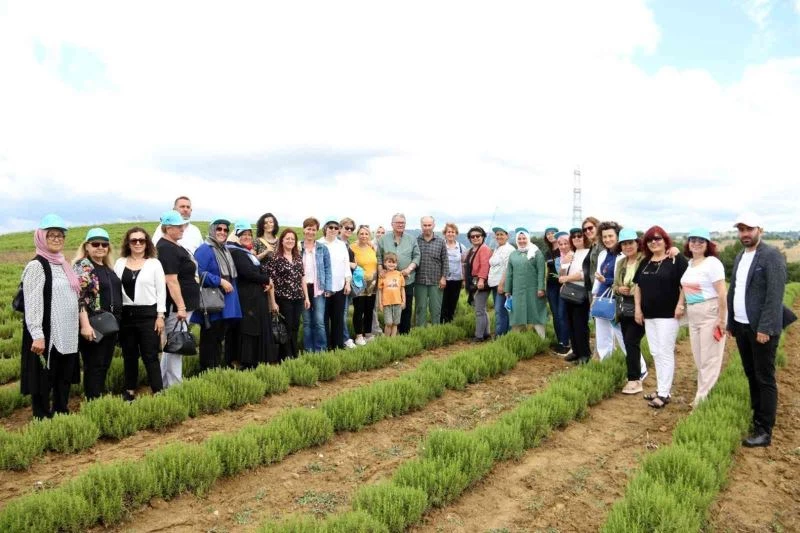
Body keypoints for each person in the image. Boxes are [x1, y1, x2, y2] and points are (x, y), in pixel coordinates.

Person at [726, 213, 796, 447]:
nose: (745, 234)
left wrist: (765, 327)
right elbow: (734, 290)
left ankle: (764, 430)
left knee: (765, 378)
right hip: (742, 326)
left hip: (761, 329)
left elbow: (775, 295)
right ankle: (757, 416)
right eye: (741, 230)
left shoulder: (771, 255)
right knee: (751, 374)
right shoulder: (739, 256)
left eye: (749, 229)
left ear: (760, 230)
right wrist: (731, 323)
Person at [20, 214, 81, 419]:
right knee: (44, 378)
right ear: (41, 238)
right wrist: (37, 334)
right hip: (47, 332)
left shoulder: (64, 264)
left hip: (67, 332)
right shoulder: (37, 266)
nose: (56, 239)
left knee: (63, 377)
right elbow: (33, 302)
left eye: (60, 235)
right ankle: (43, 418)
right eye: (51, 235)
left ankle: (61, 412)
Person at [633, 226, 688, 409]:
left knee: (665, 352)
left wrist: (680, 304)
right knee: (656, 352)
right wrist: (638, 309)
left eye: (657, 239)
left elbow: (684, 285)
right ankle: (661, 388)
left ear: (665, 240)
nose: (654, 242)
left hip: (668, 315)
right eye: (650, 240)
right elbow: (638, 287)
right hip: (649, 315)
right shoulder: (646, 262)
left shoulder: (675, 260)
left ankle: (664, 393)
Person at [114, 227, 165, 400]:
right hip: (126, 315)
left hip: (148, 315)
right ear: (128, 243)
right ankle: (129, 391)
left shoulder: (154, 263)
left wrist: (160, 316)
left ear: (147, 243)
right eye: (133, 240)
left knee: (150, 355)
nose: (137, 243)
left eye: (141, 240)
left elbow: (161, 291)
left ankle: (157, 391)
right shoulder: (120, 263)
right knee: (129, 355)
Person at [678, 228, 727, 408]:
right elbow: (684, 287)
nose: (696, 243)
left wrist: (722, 320)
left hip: (710, 311)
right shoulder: (691, 263)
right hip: (694, 313)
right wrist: (680, 304)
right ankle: (702, 394)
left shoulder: (712, 263)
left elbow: (722, 292)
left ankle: (702, 401)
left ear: (708, 245)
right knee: (699, 358)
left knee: (710, 359)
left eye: (701, 240)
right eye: (693, 240)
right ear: (688, 243)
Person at [73, 228, 122, 400]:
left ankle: (97, 398)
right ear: (87, 246)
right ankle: (93, 401)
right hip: (94, 324)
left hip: (109, 324)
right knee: (94, 365)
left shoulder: (107, 267)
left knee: (103, 364)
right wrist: (85, 325)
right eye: (95, 244)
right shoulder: (83, 266)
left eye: (104, 244)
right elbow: (80, 298)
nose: (100, 247)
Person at [157, 210, 200, 387]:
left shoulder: (173, 245)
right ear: (168, 228)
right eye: (179, 226)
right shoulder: (166, 248)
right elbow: (171, 280)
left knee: (173, 344)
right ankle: (175, 385)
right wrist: (181, 307)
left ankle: (163, 382)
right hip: (176, 306)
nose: (183, 228)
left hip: (183, 304)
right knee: (176, 344)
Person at [192, 218, 242, 372]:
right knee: (210, 339)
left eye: (225, 230)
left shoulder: (224, 249)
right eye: (219, 229)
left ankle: (214, 370)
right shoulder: (205, 249)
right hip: (212, 301)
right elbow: (198, 273)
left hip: (224, 301)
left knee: (218, 338)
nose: (222, 232)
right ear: (212, 230)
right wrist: (219, 281)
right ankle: (207, 371)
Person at [226, 220, 277, 368]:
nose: (247, 237)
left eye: (249, 234)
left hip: (255, 295)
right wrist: (267, 279)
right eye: (243, 234)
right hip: (247, 297)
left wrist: (265, 280)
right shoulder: (236, 252)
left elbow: (258, 270)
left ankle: (254, 361)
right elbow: (247, 273)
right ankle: (247, 361)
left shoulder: (246, 252)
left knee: (254, 327)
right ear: (237, 236)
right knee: (249, 329)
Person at [614, 229, 649, 395]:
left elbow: (647, 283)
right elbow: (614, 285)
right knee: (630, 344)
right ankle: (636, 375)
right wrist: (619, 289)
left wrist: (633, 291)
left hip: (640, 307)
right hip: (624, 309)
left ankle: (634, 379)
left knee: (631, 342)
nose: (627, 246)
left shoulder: (646, 260)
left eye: (630, 243)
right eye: (624, 243)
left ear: (637, 243)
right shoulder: (621, 263)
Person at [267, 228, 310, 359]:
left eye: (292, 239)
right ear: (282, 240)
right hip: (283, 298)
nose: (290, 241)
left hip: (298, 298)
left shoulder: (298, 257)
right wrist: (273, 302)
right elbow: (271, 282)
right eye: (287, 238)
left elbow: (302, 278)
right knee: (286, 327)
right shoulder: (275, 258)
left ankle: (294, 354)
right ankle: (286, 356)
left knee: (295, 327)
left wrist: (306, 297)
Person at [377, 213, 420, 334]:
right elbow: (379, 257)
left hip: (407, 279)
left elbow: (417, 256)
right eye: (398, 222)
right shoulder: (384, 239)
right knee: (390, 309)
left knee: (405, 307)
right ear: (392, 224)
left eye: (403, 223)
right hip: (388, 283)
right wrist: (381, 270)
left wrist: (409, 269)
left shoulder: (411, 239)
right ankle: (389, 335)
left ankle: (404, 334)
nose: (401, 224)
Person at [504, 228, 547, 338]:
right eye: (519, 238)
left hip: (534, 289)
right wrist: (507, 290)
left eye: (524, 238)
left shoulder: (536, 253)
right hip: (517, 290)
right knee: (517, 314)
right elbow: (509, 273)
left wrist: (541, 288)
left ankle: (542, 339)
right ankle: (515, 339)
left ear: (528, 239)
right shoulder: (513, 254)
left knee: (536, 313)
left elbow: (541, 271)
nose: (522, 241)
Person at [591, 221, 626, 360]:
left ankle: (636, 368)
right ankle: (605, 361)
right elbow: (598, 278)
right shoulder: (603, 254)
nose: (607, 239)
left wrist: (606, 281)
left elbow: (623, 281)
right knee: (602, 334)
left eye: (610, 236)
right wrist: (594, 297)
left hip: (618, 299)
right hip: (602, 298)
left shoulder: (623, 255)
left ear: (618, 236)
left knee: (622, 335)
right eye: (604, 237)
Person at [560, 228, 592, 364]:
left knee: (580, 324)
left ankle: (585, 353)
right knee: (571, 323)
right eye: (574, 237)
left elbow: (583, 274)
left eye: (580, 236)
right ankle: (576, 351)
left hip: (581, 292)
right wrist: (564, 263)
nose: (577, 238)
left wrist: (567, 278)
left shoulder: (589, 253)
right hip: (569, 291)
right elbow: (561, 274)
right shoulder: (573, 253)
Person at [319, 220, 352, 350]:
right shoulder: (319, 244)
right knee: (324, 318)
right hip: (323, 288)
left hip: (339, 286)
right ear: (325, 228)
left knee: (338, 318)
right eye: (330, 227)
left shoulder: (342, 245)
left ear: (338, 230)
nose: (333, 230)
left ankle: (337, 346)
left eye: (335, 227)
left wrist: (348, 283)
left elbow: (346, 265)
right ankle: (326, 346)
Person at [300, 217, 332, 353]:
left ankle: (321, 349)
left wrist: (328, 288)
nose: (311, 232)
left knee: (319, 321)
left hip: (318, 287)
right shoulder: (297, 246)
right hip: (302, 288)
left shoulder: (322, 248)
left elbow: (327, 268)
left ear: (316, 231)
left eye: (313, 229)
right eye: (308, 228)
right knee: (307, 321)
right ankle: (308, 349)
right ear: (304, 230)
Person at [415, 216, 448, 327]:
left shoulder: (440, 241)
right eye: (425, 225)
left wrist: (444, 278)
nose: (427, 227)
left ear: (433, 225)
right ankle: (421, 332)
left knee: (436, 309)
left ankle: (435, 331)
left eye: (429, 225)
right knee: (420, 308)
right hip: (420, 281)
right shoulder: (416, 241)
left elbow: (445, 261)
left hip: (436, 281)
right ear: (421, 226)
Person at [351, 225, 379, 345]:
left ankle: (368, 333)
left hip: (372, 283)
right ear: (357, 235)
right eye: (361, 233)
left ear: (369, 236)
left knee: (369, 309)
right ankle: (358, 335)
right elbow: (349, 263)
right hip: (359, 283)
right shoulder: (352, 247)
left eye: (366, 234)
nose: (364, 236)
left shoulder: (372, 247)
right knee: (359, 310)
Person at [465, 226, 492, 342]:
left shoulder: (484, 249)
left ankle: (479, 336)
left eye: (478, 236)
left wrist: (481, 280)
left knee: (479, 310)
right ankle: (486, 333)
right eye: (472, 236)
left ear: (483, 237)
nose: (475, 238)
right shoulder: (472, 250)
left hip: (481, 283)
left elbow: (485, 265)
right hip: (474, 282)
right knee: (482, 309)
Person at [488, 226, 515, 337]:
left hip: (502, 285)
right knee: (501, 310)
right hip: (494, 283)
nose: (499, 236)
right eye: (497, 235)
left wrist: (501, 284)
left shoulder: (509, 249)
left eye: (501, 234)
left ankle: (500, 335)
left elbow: (507, 268)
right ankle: (505, 334)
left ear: (507, 236)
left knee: (501, 311)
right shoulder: (497, 248)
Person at [548, 231, 572, 355]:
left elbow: (564, 276)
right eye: (560, 244)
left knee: (564, 315)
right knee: (559, 315)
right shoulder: (561, 257)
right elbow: (561, 275)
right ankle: (563, 342)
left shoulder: (573, 255)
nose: (563, 246)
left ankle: (567, 343)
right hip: (562, 288)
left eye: (565, 243)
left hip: (571, 290)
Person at [441, 223, 466, 324]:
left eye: (453, 232)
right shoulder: (441, 245)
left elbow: (463, 263)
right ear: (445, 233)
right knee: (443, 303)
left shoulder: (461, 247)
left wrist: (464, 279)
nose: (450, 234)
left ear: (456, 233)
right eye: (448, 232)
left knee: (453, 302)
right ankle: (441, 323)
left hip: (457, 279)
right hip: (443, 279)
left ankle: (449, 323)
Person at [339, 217, 357, 348]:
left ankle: (342, 338)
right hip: (339, 283)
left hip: (347, 281)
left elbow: (354, 264)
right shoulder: (338, 243)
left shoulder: (347, 244)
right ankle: (344, 339)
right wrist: (351, 264)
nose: (349, 230)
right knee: (342, 312)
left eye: (351, 228)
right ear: (340, 228)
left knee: (343, 312)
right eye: (347, 228)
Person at [377, 252, 406, 336]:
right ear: (385, 263)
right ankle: (386, 340)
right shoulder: (382, 275)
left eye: (393, 262)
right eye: (389, 262)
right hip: (387, 303)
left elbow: (402, 288)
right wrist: (380, 303)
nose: (391, 264)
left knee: (395, 322)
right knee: (388, 322)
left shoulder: (399, 274)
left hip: (397, 302)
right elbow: (380, 290)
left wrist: (403, 301)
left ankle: (392, 340)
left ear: (396, 264)